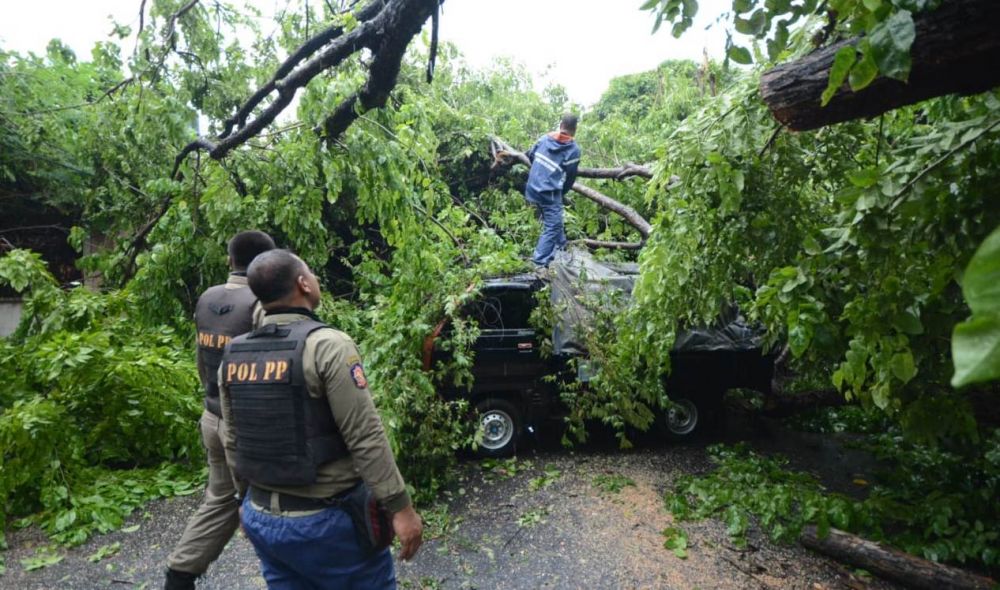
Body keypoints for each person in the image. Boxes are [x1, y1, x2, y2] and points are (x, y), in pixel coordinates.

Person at [218, 249, 423, 589]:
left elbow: (232, 438)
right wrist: (401, 508)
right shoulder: (328, 345)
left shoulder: (235, 353)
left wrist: (243, 500)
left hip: (261, 517)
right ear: (303, 284)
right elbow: (365, 435)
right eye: (311, 272)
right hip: (325, 523)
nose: (315, 279)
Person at [164, 230, 276, 590]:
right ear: (266, 264)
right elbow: (273, 368)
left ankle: (179, 576)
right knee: (278, 505)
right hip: (245, 429)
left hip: (211, 417)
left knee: (219, 500)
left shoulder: (207, 298)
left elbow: (202, 362)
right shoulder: (261, 302)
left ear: (230, 260)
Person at [524, 113, 582, 267]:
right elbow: (570, 177)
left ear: (561, 124)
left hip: (532, 187)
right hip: (548, 192)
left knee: (555, 219)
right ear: (575, 129)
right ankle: (539, 263)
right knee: (553, 225)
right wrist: (562, 192)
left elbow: (530, 155)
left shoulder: (544, 139)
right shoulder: (573, 149)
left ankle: (561, 249)